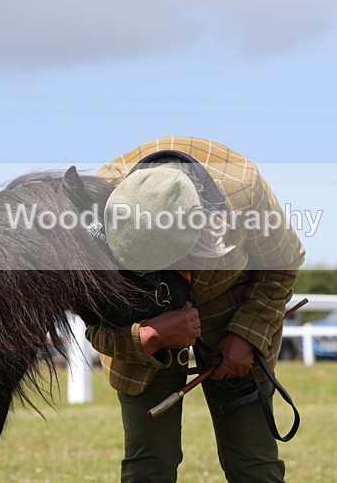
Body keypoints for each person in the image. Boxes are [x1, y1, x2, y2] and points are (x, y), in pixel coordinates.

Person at [85, 136, 305, 482]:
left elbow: (284, 263)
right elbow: (95, 323)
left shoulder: (242, 188)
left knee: (253, 465)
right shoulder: (96, 207)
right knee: (149, 466)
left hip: (231, 311)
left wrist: (246, 335)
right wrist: (147, 337)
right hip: (140, 325)